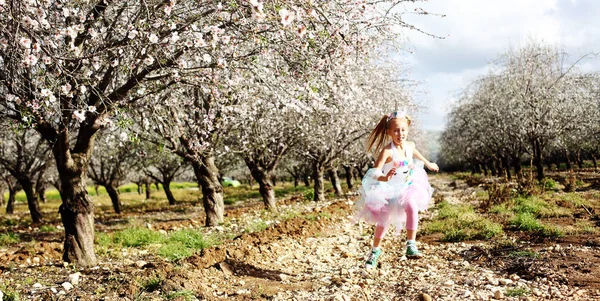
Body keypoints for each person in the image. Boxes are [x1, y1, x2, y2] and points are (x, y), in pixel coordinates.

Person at [354, 110, 438, 269]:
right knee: (383, 223)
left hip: (407, 186)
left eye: (403, 130)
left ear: (408, 129)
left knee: (412, 206)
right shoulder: (387, 151)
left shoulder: (410, 145)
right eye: (396, 130)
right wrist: (385, 178)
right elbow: (374, 172)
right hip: (388, 190)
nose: (400, 133)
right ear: (389, 132)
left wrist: (429, 164)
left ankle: (411, 244)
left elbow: (417, 154)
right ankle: (375, 251)